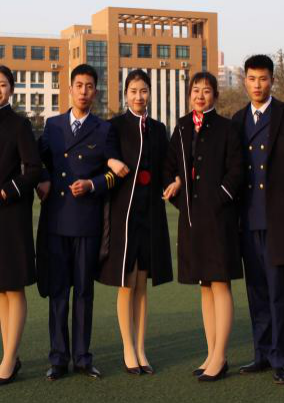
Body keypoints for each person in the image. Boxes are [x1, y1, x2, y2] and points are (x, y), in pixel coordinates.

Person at [35, 64, 123, 381]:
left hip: (87, 221)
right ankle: (58, 358)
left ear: (95, 92)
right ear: (70, 89)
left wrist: (92, 185)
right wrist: (42, 179)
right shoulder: (53, 126)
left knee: (84, 293)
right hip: (57, 220)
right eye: (79, 85)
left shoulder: (104, 129)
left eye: (89, 86)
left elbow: (115, 173)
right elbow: (37, 160)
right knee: (59, 292)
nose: (83, 91)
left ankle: (83, 358)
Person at [232, 55, 284, 385]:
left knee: (278, 294)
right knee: (256, 293)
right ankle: (261, 353)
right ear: (244, 81)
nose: (257, 85)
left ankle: (280, 358)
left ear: (272, 80)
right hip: (248, 219)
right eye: (252, 79)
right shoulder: (237, 119)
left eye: (263, 78)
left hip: (278, 221)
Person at [164, 72, 244, 382]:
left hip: (219, 219)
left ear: (215, 96)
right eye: (195, 90)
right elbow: (169, 167)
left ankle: (220, 356)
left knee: (220, 284)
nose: (200, 95)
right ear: (189, 95)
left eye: (207, 90)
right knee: (205, 286)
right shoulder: (182, 127)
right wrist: (177, 190)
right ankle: (211, 353)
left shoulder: (227, 128)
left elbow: (237, 171)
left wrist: (218, 199)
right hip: (192, 220)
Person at [98, 69, 173, 375]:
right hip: (124, 214)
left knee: (142, 284)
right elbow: (104, 154)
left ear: (150, 93)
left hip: (150, 214)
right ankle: (128, 348)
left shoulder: (158, 128)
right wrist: (110, 160)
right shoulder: (115, 126)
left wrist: (175, 181)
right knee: (126, 283)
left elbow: (166, 167)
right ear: (125, 94)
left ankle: (141, 348)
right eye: (133, 91)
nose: (139, 96)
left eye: (143, 91)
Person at [0, 65, 42, 386]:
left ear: (11, 89)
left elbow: (34, 169)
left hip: (11, 216)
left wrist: (9, 189)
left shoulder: (19, 124)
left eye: (2, 85)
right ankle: (8, 357)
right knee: (0, 288)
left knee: (14, 286)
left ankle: (9, 361)